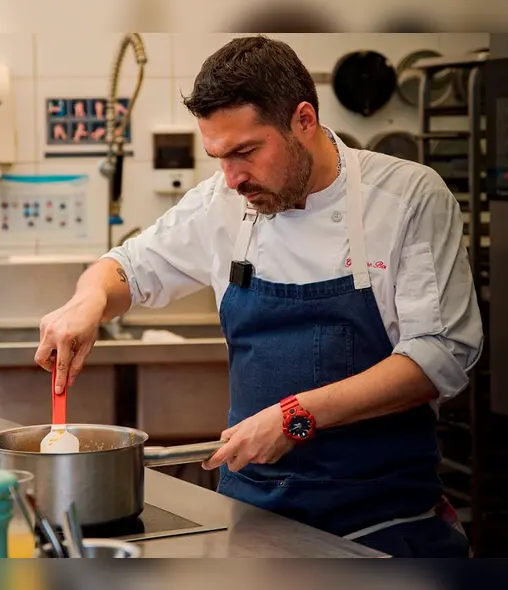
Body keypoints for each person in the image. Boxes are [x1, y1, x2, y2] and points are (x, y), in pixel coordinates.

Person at [35, 35, 482, 557]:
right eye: (219, 157)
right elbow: (127, 269)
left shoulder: (407, 197)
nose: (233, 178)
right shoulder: (221, 203)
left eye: (246, 152)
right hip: (252, 521)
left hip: (381, 523)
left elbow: (440, 356)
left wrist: (297, 414)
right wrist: (87, 300)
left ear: (303, 120)